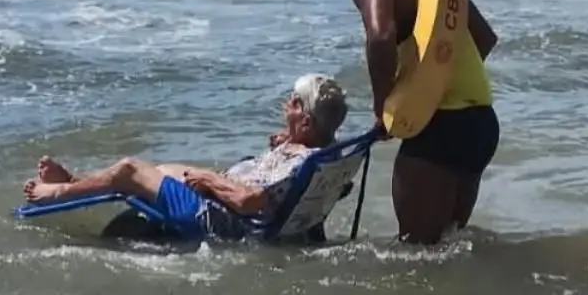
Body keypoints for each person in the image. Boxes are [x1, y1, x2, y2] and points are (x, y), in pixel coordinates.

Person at [334, 0, 499, 245]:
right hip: (482, 123)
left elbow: (380, 36)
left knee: (417, 255)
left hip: (440, 127)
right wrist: (439, 77)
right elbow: (484, 38)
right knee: (451, 244)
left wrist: (385, 108)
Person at [22, 73, 349, 239]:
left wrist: (208, 179)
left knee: (131, 169)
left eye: (293, 101)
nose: (286, 102)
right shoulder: (324, 153)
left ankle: (59, 191)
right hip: (224, 197)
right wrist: (288, 141)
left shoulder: (300, 161)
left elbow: (251, 200)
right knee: (161, 169)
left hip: (218, 216)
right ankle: (78, 182)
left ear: (306, 121)